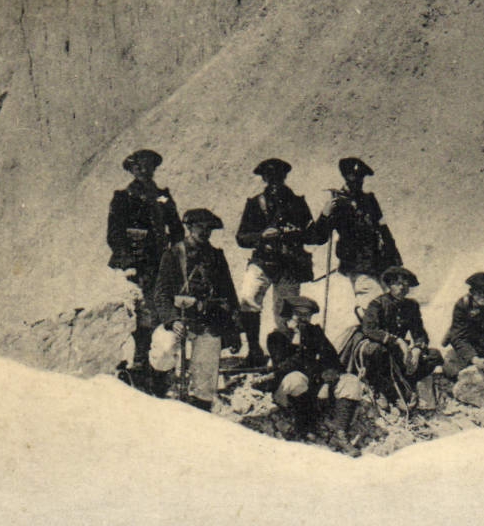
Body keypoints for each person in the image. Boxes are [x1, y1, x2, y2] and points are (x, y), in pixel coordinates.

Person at [106, 148, 185, 392]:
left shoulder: (163, 197)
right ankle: (138, 366)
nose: (144, 170)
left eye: (148, 166)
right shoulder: (123, 197)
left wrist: (175, 257)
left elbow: (177, 230)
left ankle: (158, 368)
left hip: (161, 263)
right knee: (142, 314)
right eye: (138, 166)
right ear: (132, 170)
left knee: (160, 311)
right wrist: (128, 263)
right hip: (135, 266)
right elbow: (115, 234)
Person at [148, 208, 239, 411]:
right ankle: (158, 388)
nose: (205, 232)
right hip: (178, 319)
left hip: (207, 321)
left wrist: (233, 330)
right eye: (200, 227)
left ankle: (201, 411)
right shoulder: (173, 254)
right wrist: (172, 320)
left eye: (209, 228)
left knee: (206, 372)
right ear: (189, 227)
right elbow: (161, 294)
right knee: (164, 350)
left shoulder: (216, 257)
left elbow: (229, 294)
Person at [234, 158, 314, 367]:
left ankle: (283, 355)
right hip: (263, 261)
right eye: (269, 177)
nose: (274, 181)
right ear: (264, 179)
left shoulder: (297, 202)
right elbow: (241, 237)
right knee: (248, 299)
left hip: (289, 264)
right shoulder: (255, 203)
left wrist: (294, 233)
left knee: (285, 312)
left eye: (278, 176)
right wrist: (261, 235)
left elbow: (312, 234)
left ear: (285, 177)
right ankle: (254, 351)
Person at [267, 296, 366, 450]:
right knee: (296, 379)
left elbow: (333, 360)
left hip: (316, 387)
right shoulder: (277, 337)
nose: (303, 319)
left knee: (351, 381)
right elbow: (283, 368)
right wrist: (298, 343)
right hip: (288, 391)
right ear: (289, 315)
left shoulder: (315, 332)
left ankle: (341, 433)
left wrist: (327, 381)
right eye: (298, 314)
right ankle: (303, 428)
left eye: (307, 315)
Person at [338, 265, 440, 410]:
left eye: (406, 284)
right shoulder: (377, 304)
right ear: (389, 285)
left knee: (434, 355)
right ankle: (381, 389)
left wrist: (417, 349)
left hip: (398, 352)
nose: (402, 288)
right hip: (380, 349)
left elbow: (419, 333)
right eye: (397, 284)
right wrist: (397, 341)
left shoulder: (411, 306)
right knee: (377, 352)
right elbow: (369, 329)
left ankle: (406, 383)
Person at [309, 157, 403, 283]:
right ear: (346, 177)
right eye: (353, 178)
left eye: (361, 178)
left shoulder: (369, 200)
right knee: (369, 293)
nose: (358, 182)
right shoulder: (338, 203)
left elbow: (383, 229)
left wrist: (396, 260)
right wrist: (325, 215)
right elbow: (319, 238)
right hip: (355, 265)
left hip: (378, 263)